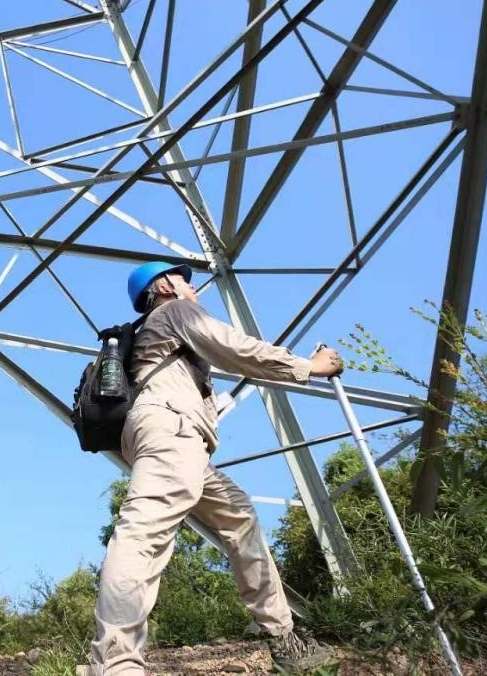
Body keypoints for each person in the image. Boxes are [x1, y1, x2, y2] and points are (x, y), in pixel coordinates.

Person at [82, 261, 338, 675]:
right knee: (142, 536)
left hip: (174, 438)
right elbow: (236, 348)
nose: (194, 286)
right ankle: (115, 663)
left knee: (239, 516)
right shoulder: (175, 312)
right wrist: (310, 367)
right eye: (184, 279)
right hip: (171, 430)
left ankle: (283, 636)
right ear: (164, 285)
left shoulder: (158, 330)